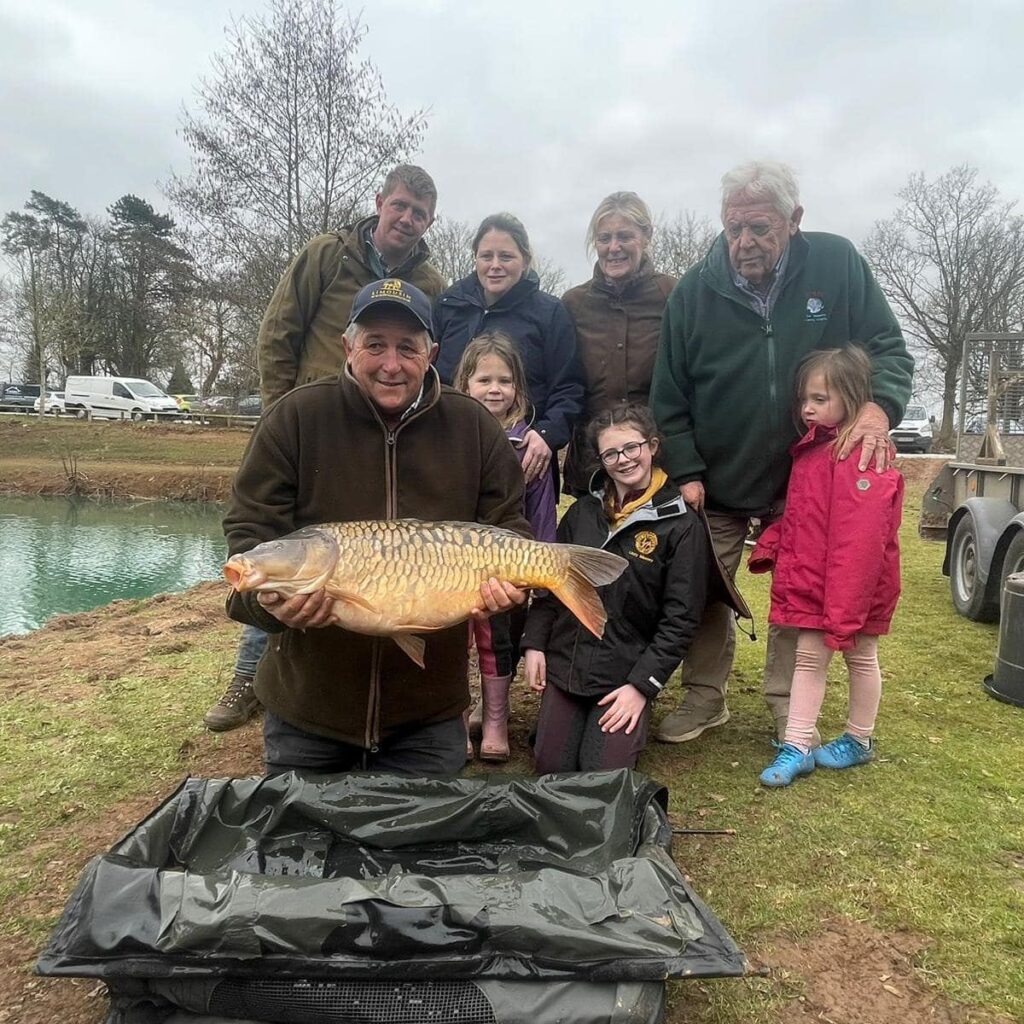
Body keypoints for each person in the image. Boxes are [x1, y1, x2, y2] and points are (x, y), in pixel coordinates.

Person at [649, 159, 913, 745]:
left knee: (800, 596)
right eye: (733, 227)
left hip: (811, 475)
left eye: (760, 228)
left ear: (794, 220)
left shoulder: (838, 264)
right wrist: (687, 471)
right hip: (716, 476)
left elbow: (890, 349)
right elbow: (669, 395)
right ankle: (704, 696)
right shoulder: (693, 291)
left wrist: (878, 408)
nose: (744, 242)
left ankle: (787, 701)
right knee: (701, 587)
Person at [223, 279, 530, 776]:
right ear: (348, 347)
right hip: (310, 712)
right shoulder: (295, 418)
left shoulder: (473, 427)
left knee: (422, 849)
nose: (391, 364)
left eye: (407, 348)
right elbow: (250, 533)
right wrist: (269, 606)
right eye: (375, 345)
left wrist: (515, 591)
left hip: (428, 715)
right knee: (301, 849)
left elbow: (509, 526)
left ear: (431, 353)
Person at [204, 165, 445, 733]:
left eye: (420, 214)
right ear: (380, 202)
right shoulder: (327, 254)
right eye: (401, 206)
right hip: (313, 425)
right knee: (287, 557)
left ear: (429, 223)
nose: (407, 220)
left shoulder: (431, 283)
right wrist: (281, 414)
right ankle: (249, 677)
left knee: (364, 561)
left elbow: (424, 357)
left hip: (382, 429)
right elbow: (278, 331)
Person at [522, 404, 710, 772]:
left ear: (652, 446)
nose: (623, 460)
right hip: (567, 664)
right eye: (611, 453)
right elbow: (550, 583)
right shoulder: (581, 514)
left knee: (602, 775)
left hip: (623, 675)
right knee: (550, 767)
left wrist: (641, 687)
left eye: (631, 448)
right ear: (601, 460)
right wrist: (534, 644)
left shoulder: (681, 524)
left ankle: (631, 716)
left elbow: (681, 619)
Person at [749, 347, 903, 787]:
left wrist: (846, 609)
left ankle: (859, 739)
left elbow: (862, 540)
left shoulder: (861, 457)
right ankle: (797, 745)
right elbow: (805, 517)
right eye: (804, 399)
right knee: (808, 657)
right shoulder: (813, 451)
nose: (807, 408)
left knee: (861, 657)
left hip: (856, 587)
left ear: (851, 397)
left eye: (820, 398)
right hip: (816, 582)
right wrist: (775, 542)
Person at [452, 330, 557, 763]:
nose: (495, 389)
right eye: (484, 380)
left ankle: (496, 717)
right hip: (448, 567)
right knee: (453, 640)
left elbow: (542, 510)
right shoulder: (447, 438)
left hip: (505, 565)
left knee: (498, 641)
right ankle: (454, 717)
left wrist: (542, 572)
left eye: (504, 380)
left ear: (517, 388)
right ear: (464, 384)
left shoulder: (528, 447)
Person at [433, 212, 585, 493]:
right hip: (452, 453)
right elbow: (430, 378)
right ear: (475, 258)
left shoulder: (549, 313)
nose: (494, 266)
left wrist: (546, 435)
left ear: (525, 260)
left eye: (506, 257)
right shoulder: (449, 305)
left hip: (525, 457)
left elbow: (569, 387)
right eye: (486, 256)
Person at [560, 192, 677, 495]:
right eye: (604, 238)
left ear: (646, 236)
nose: (614, 248)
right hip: (592, 464)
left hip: (657, 459)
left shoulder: (673, 295)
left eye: (625, 236)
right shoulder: (574, 304)